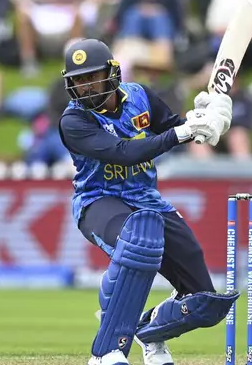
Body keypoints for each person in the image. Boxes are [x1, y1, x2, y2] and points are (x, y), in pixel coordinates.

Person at [58, 38, 237, 365]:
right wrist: (181, 133)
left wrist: (206, 120)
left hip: (146, 199)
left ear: (112, 73)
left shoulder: (140, 96)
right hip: (99, 201)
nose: (85, 88)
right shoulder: (74, 121)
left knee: (204, 301)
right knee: (140, 237)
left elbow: (173, 128)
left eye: (92, 77)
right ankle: (107, 351)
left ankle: (148, 332)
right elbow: (123, 153)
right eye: (79, 80)